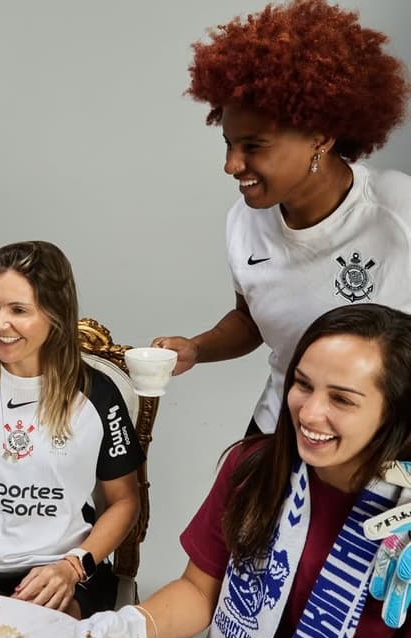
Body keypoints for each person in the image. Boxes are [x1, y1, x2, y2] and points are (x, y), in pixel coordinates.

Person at [77, 303, 411, 638]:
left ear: (396, 412)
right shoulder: (254, 466)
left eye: (342, 399)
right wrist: (134, 625)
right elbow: (200, 591)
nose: (309, 413)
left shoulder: (405, 523)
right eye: (303, 384)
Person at [153, 0, 411, 436]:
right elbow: (252, 319)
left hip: (385, 437)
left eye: (253, 146)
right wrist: (197, 348)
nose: (231, 165)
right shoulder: (244, 222)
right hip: (285, 426)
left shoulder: (398, 211)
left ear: (321, 137)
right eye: (229, 144)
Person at [0, 241, 144, 619]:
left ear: (55, 314)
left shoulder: (98, 396)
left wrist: (73, 567)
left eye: (18, 310)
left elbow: (125, 501)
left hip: (63, 570)